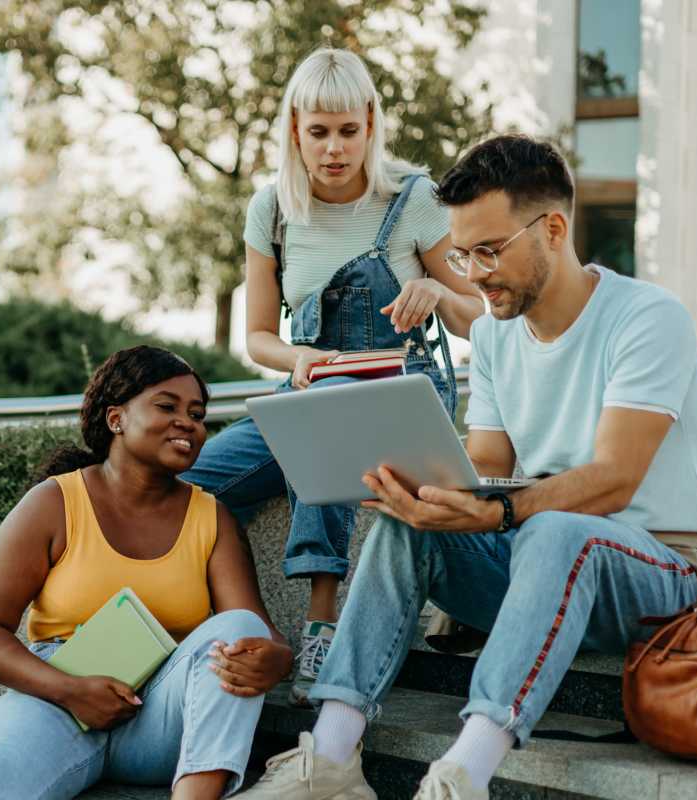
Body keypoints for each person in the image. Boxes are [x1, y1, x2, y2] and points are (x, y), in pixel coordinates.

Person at [236, 134, 697, 800]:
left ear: (553, 229)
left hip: (657, 576)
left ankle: (463, 775)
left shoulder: (646, 318)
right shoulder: (494, 334)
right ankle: (331, 758)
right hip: (531, 559)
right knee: (411, 523)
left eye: (489, 251)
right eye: (462, 254)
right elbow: (489, 463)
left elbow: (615, 478)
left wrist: (495, 510)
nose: (472, 274)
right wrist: (427, 489)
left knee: (556, 531)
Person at [182, 47, 484, 705]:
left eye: (348, 129)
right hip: (312, 385)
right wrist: (301, 361)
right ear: (295, 129)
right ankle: (240, 626)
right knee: (189, 486)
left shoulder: (413, 199)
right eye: (319, 131)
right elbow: (260, 336)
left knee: (330, 411)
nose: (334, 147)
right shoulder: (272, 209)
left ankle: (322, 617)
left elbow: (478, 317)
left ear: (371, 123)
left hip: (405, 387)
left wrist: (439, 295)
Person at [0, 345, 295, 800]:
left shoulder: (212, 518)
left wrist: (277, 660)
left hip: (160, 718)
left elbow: (257, 631)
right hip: (55, 701)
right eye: (167, 406)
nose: (187, 423)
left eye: (197, 413)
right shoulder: (54, 503)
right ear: (116, 419)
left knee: (237, 630)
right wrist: (71, 691)